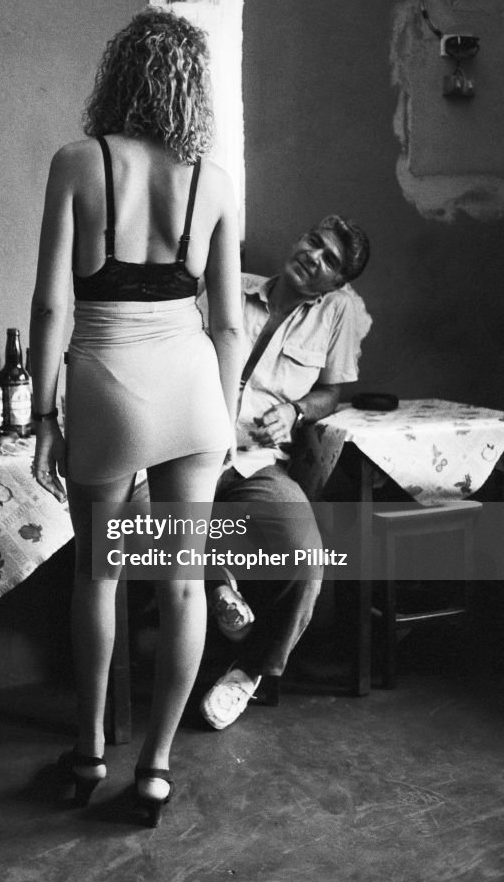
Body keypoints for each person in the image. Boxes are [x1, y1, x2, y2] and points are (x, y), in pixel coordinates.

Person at [29, 8, 242, 824]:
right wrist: (220, 428)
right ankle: (153, 769)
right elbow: (226, 324)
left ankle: (87, 752)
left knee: (100, 574)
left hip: (107, 382)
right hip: (191, 387)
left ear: (119, 76)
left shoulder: (79, 163)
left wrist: (45, 415)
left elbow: (51, 304)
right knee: (183, 584)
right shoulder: (212, 182)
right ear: (192, 90)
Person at [198, 214, 371, 730]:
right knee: (147, 517)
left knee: (306, 556)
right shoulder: (230, 287)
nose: (313, 257)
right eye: (313, 242)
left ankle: (249, 673)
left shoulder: (337, 315)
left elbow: (332, 392)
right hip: (193, 452)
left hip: (258, 463)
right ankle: (217, 585)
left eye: (330, 261)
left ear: (337, 283)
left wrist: (296, 412)